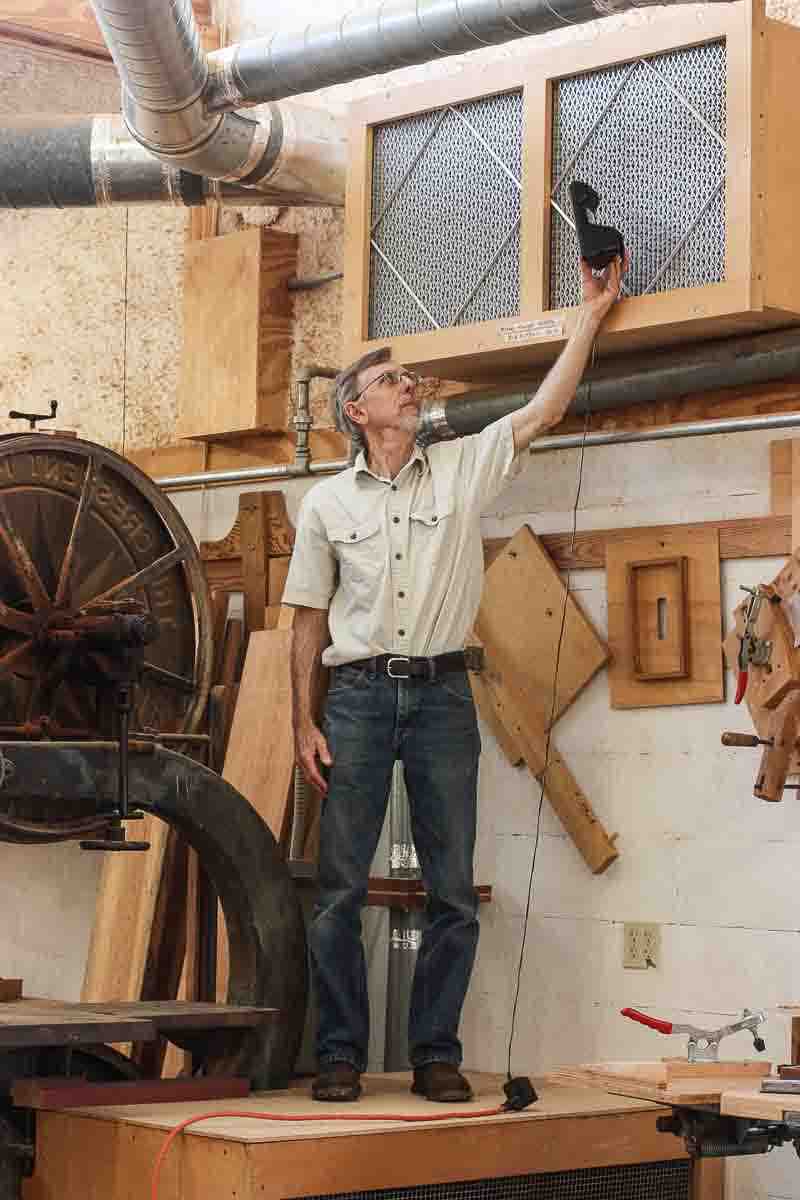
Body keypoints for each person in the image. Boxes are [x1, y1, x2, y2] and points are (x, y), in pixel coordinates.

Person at [282, 255, 626, 1103]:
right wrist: (303, 722)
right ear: (358, 411)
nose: (410, 388)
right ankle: (338, 1055)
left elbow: (544, 409)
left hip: (441, 698)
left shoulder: (466, 465)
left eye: (409, 380)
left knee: (451, 892)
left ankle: (436, 1051)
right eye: (392, 382)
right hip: (356, 699)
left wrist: (589, 314)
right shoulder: (326, 505)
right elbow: (307, 621)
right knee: (337, 893)